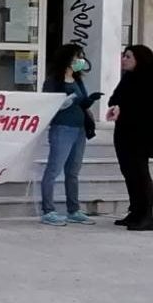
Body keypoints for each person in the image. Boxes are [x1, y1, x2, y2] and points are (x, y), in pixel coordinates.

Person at [39, 44, 103, 227]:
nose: (80, 61)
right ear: (67, 59)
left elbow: (82, 102)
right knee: (54, 169)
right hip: (62, 127)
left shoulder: (77, 79)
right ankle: (48, 210)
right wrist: (65, 102)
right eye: (77, 57)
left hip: (79, 128)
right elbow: (48, 104)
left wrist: (90, 100)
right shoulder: (53, 81)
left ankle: (73, 209)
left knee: (73, 171)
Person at [106, 44, 153, 232]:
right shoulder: (128, 78)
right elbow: (114, 98)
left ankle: (147, 216)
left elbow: (147, 110)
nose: (124, 59)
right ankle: (135, 211)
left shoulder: (150, 81)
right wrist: (116, 106)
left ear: (140, 59)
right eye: (124, 55)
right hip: (123, 133)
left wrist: (124, 108)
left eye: (128, 56)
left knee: (140, 174)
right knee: (129, 173)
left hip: (140, 135)